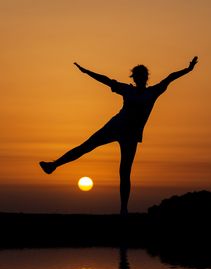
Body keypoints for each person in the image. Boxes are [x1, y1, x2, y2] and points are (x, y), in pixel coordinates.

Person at [39, 56, 198, 215]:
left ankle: (123, 209)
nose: (139, 79)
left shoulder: (153, 92)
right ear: (134, 78)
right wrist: (86, 72)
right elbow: (106, 80)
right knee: (86, 147)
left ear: (145, 78)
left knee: (124, 171)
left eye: (141, 76)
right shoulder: (128, 89)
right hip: (115, 126)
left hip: (131, 135)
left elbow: (170, 77)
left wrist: (188, 69)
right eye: (137, 76)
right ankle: (53, 165)